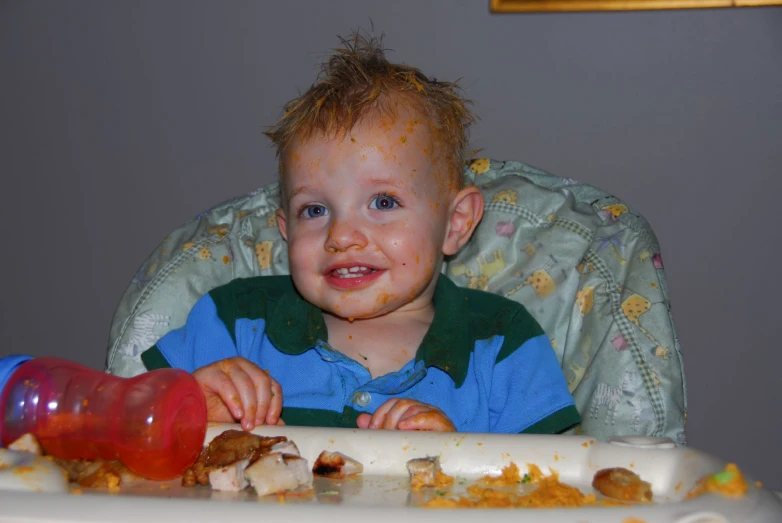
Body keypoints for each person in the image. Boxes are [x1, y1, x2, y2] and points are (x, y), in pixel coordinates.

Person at [140, 32, 580, 435]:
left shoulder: (502, 345)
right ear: (286, 231)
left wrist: (459, 464)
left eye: (384, 203)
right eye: (313, 210)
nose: (342, 235)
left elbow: (550, 496)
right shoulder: (233, 323)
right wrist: (186, 408)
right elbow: (120, 434)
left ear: (456, 222)